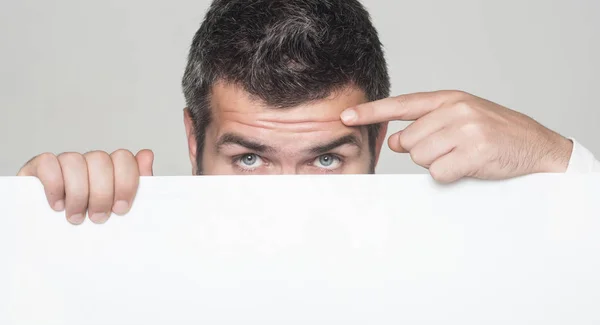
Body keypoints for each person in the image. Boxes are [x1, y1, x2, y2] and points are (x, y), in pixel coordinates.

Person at [17, 0, 600, 225]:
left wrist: (561, 163)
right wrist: (25, 232)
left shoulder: (463, 280)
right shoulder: (118, 270)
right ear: (193, 142)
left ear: (376, 144)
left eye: (325, 159)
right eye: (249, 158)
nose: (286, 202)